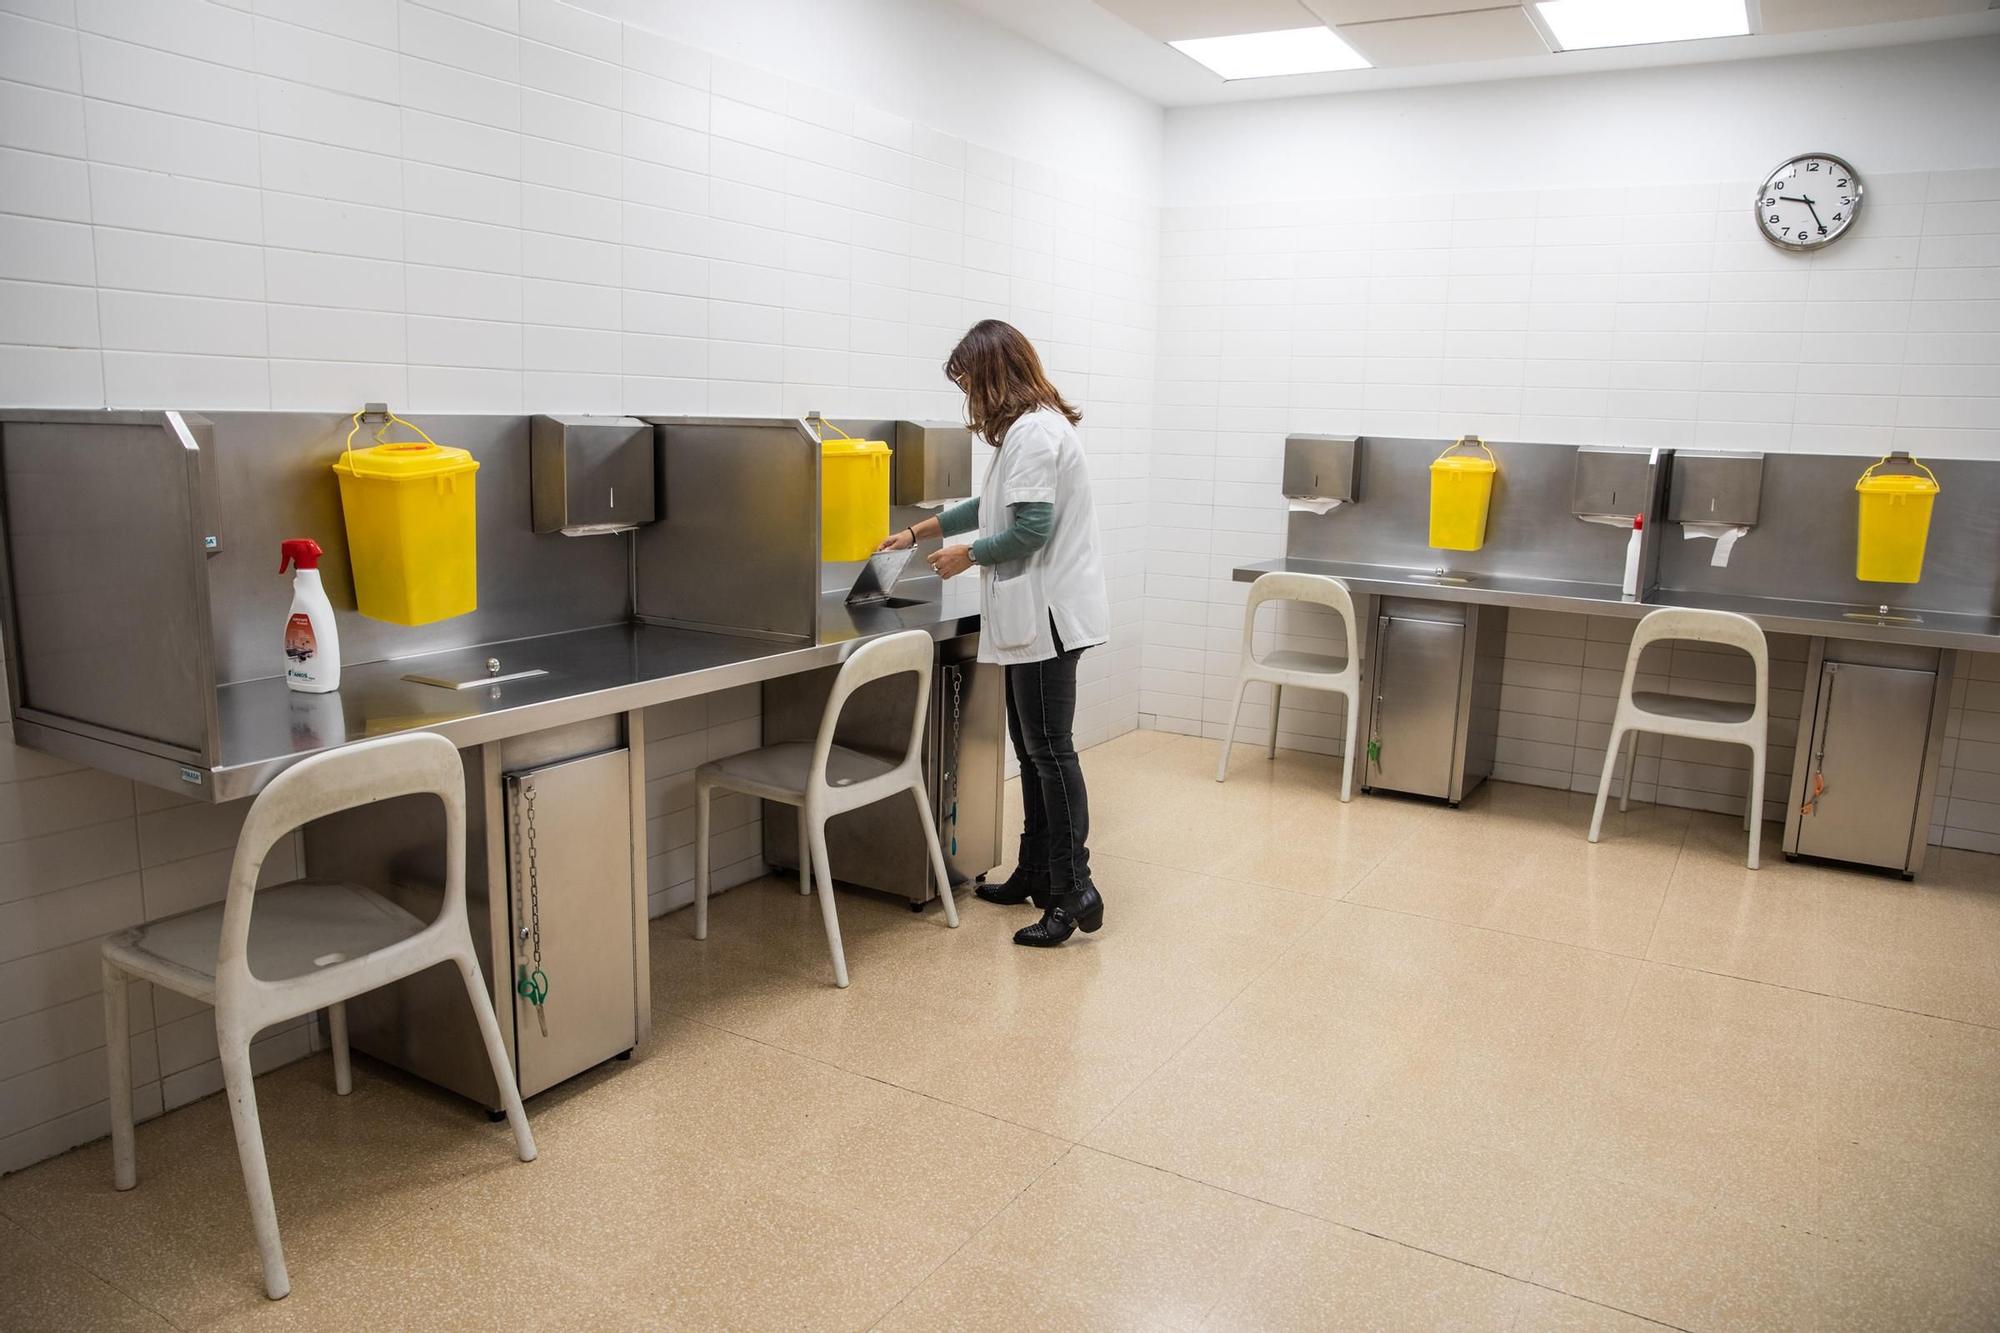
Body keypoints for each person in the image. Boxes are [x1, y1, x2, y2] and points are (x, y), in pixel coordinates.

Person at [878, 320, 1109, 947]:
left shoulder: (1034, 433)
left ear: (994, 376)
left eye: (970, 384)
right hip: (1036, 617)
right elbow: (991, 504)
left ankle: (1073, 889)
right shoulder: (1027, 433)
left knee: (1050, 753)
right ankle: (1035, 872)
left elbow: (1029, 529)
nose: (968, 399)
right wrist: (921, 532)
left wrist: (968, 556)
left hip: (1049, 618)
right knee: (1036, 751)